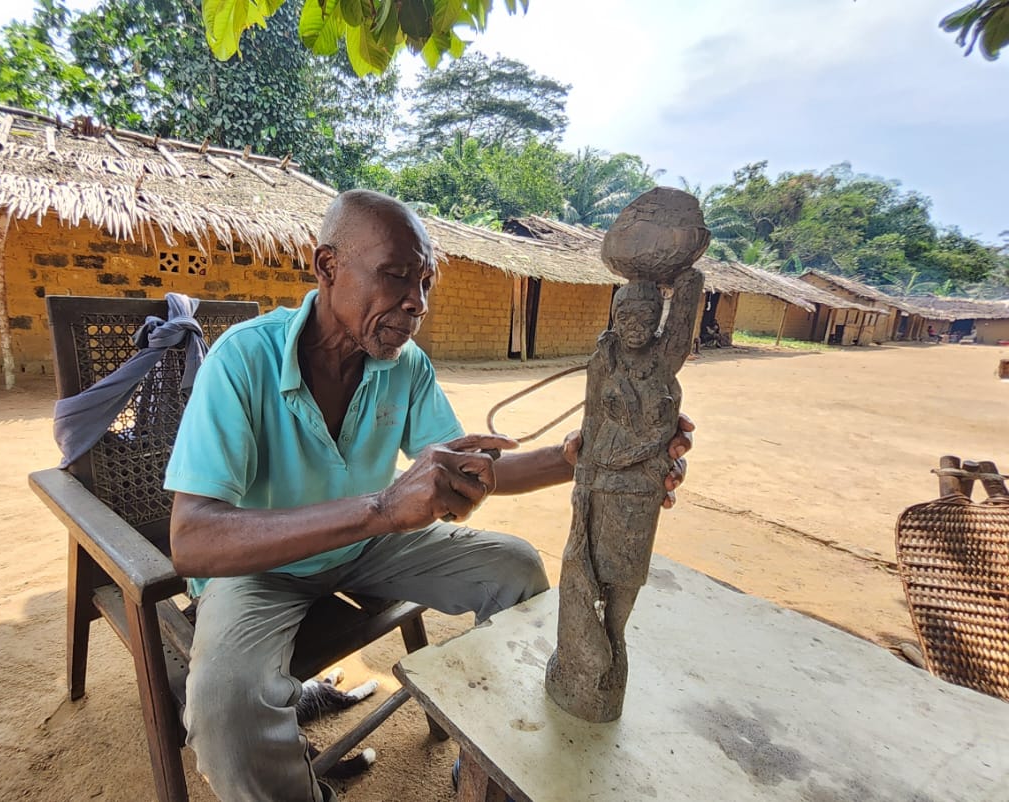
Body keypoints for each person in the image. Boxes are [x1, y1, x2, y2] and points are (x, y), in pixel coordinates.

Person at [163, 189, 692, 802]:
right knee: (224, 711)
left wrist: (581, 458)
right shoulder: (243, 359)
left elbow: (464, 471)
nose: (415, 303)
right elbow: (193, 539)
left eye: (424, 283)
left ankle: (482, 760)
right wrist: (383, 508)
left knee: (514, 567)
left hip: (368, 546)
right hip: (260, 568)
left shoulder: (404, 364)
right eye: (394, 276)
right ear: (327, 267)